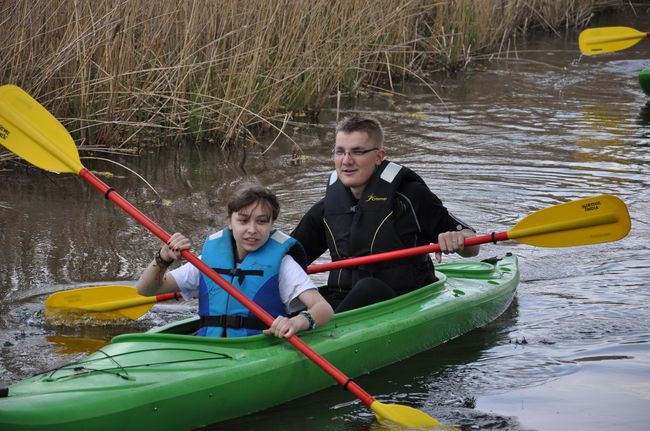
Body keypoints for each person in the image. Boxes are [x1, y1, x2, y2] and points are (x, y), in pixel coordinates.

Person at [291, 114, 479, 312]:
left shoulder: (411, 197)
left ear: (379, 156)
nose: (346, 161)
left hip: (403, 300)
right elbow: (289, 256)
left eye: (357, 152)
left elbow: (471, 245)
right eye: (340, 152)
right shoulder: (327, 207)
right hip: (343, 301)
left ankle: (319, 325)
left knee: (368, 287)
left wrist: (457, 240)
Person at [137, 184, 333, 338]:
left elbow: (323, 309)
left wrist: (296, 323)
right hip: (211, 347)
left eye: (262, 221)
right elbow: (146, 289)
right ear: (230, 222)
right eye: (243, 220)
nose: (252, 229)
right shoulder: (208, 261)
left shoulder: (283, 265)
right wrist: (163, 258)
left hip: (259, 346)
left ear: (272, 224)